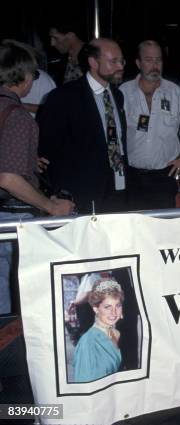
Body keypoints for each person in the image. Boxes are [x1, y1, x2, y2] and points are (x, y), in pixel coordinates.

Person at [0, 39, 74, 314]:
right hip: (8, 219)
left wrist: (28, 160)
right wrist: (50, 205)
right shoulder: (18, 116)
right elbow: (7, 178)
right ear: (24, 75)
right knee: (9, 308)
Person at [38, 38, 129, 214]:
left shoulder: (117, 95)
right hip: (80, 194)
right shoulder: (63, 97)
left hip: (117, 187)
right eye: (113, 61)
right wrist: (60, 193)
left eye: (121, 60)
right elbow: (47, 150)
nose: (120, 66)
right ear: (93, 62)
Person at [120, 40, 180, 210]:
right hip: (131, 176)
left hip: (164, 175)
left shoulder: (175, 92)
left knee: (163, 229)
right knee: (134, 228)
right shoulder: (123, 92)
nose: (155, 65)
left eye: (158, 60)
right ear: (138, 63)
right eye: (149, 60)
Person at [72, 278, 123, 383]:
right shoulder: (88, 343)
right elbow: (86, 388)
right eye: (107, 307)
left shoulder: (116, 333)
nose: (114, 313)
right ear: (96, 309)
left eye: (117, 305)